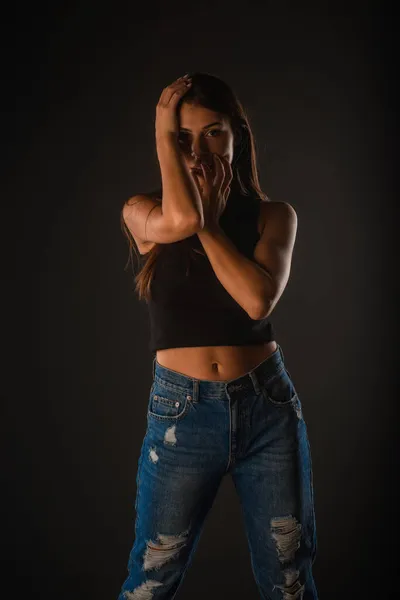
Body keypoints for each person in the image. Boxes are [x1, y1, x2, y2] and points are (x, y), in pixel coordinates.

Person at [117, 72, 318, 599]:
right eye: (181, 138)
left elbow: (256, 300)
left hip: (266, 408)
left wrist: (210, 225)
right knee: (151, 581)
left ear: (237, 136)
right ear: (164, 146)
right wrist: (166, 134)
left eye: (213, 133)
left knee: (289, 581)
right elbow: (182, 216)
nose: (199, 150)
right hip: (181, 419)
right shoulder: (144, 213)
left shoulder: (276, 216)